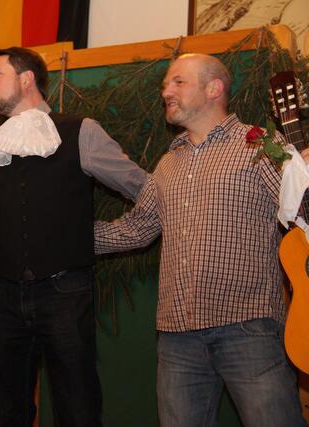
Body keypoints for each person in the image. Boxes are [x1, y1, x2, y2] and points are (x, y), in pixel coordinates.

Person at [0, 46, 146, 427]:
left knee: (78, 411)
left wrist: (101, 237)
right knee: (6, 413)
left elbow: (145, 189)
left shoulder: (80, 132)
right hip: (2, 299)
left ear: (26, 78)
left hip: (65, 294)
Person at [93, 53, 306, 426]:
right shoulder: (168, 163)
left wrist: (304, 174)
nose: (166, 92)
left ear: (214, 88)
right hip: (177, 337)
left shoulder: (260, 144)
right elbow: (137, 229)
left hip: (249, 327)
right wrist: (63, 234)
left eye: (178, 82)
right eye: (166, 84)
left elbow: (301, 216)